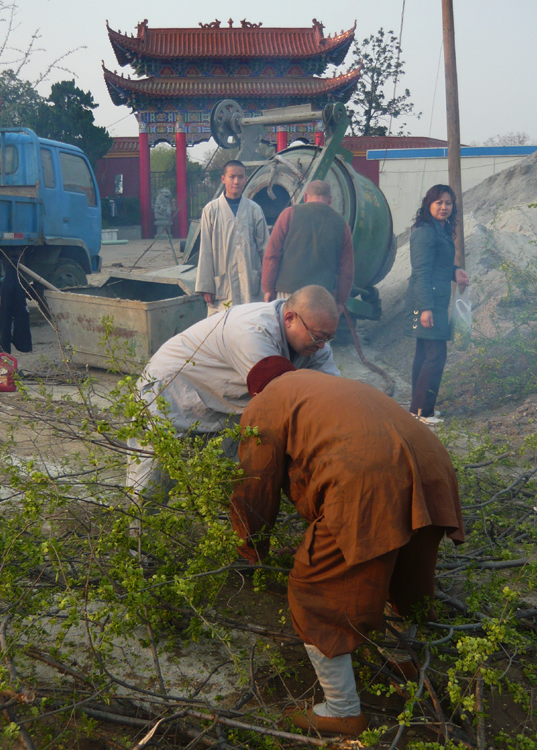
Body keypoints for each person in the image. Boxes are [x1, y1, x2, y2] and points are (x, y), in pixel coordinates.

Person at [230, 357, 464, 737]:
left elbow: (255, 481)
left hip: (369, 478)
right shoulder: (324, 387)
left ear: (256, 390)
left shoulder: (265, 401)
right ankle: (402, 660)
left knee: (314, 593)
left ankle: (342, 711)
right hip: (433, 466)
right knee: (407, 574)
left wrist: (251, 545)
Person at [127, 285, 341, 498]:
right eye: (318, 337)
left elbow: (333, 394)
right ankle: (139, 530)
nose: (323, 346)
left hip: (220, 402)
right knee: (151, 485)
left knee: (228, 479)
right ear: (289, 318)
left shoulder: (316, 344)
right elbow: (282, 401)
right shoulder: (252, 330)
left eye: (328, 339)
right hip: (171, 394)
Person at [405, 185, 469, 426]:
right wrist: (425, 308)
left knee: (424, 354)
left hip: (436, 299)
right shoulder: (424, 232)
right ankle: (422, 412)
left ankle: (418, 409)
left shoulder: (440, 229)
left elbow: (438, 265)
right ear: (428, 204)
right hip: (428, 301)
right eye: (439, 203)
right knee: (436, 355)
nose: (444, 207)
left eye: (448, 203)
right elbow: (421, 270)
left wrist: (456, 271)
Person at [261, 180, 354, 314]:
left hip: (287, 292)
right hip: (320, 296)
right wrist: (340, 301)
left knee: (286, 332)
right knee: (313, 334)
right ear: (330, 199)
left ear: (305, 197)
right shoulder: (342, 225)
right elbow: (346, 270)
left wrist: (268, 289)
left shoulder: (289, 214)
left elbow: (272, 255)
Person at [195, 160, 269, 316]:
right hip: (222, 284)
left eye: (241, 177)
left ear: (245, 179)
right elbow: (205, 251)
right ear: (223, 179)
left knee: (250, 323)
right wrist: (206, 286)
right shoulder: (211, 210)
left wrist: (269, 283)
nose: (236, 181)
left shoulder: (254, 210)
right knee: (222, 328)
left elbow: (265, 248)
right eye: (232, 177)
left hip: (251, 281)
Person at [0, 254, 33, 354]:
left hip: (9, 287)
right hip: (15, 287)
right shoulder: (18, 280)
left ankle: (5, 345)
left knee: (5, 316)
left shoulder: (8, 281)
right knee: (20, 314)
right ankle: (22, 344)